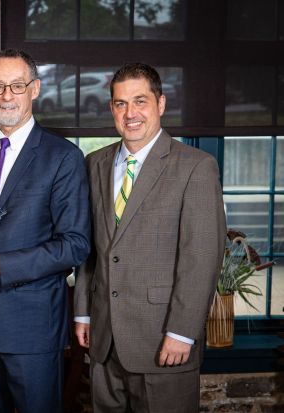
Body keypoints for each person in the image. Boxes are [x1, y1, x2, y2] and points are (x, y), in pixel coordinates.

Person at [74, 62, 226, 412]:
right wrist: (83, 312)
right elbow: (91, 248)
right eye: (120, 103)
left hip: (162, 339)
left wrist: (182, 332)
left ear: (160, 104)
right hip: (104, 340)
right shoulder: (94, 163)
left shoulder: (195, 167)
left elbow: (201, 257)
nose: (130, 113)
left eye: (140, 101)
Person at [0, 49, 91, 413]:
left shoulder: (62, 156)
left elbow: (74, 246)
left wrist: (0, 264)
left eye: (16, 86)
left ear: (35, 89)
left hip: (31, 325)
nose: (7, 95)